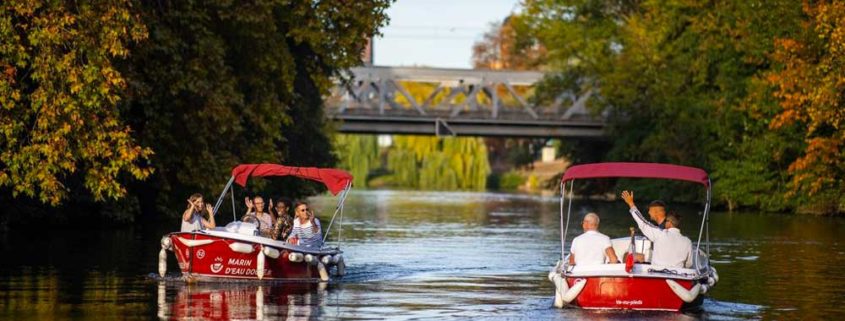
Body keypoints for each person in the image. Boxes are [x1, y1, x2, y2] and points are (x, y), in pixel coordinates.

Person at [620, 190, 692, 267]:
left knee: (627, 256)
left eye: (650, 210)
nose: (648, 213)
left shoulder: (660, 232)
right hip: (676, 273)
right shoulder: (688, 241)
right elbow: (689, 264)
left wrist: (631, 204)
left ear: (656, 212)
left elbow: (643, 222)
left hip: (658, 270)